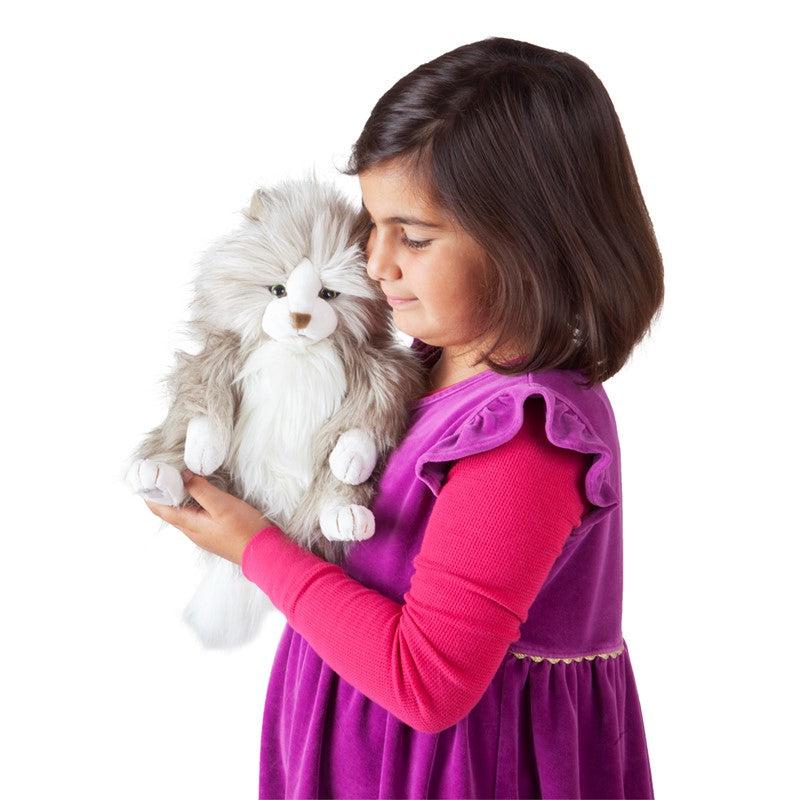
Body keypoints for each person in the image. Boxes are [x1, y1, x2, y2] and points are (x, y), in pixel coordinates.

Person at [147, 36, 662, 799]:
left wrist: (254, 547)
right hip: (364, 751)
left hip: (458, 774)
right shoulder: (420, 365)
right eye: (371, 226)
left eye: (414, 238)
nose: (376, 263)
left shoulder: (524, 435)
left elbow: (426, 681)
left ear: (531, 244)